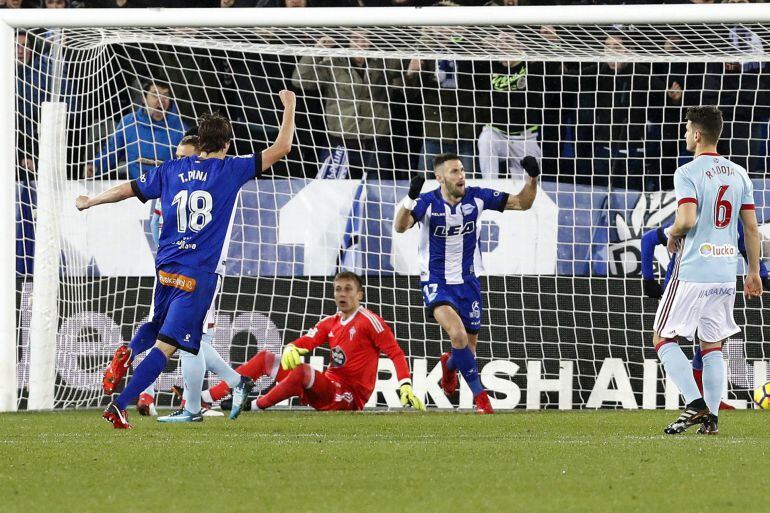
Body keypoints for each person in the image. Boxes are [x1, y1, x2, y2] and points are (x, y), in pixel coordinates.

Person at [76, 89, 297, 429]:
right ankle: (120, 405)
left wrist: (91, 201)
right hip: (197, 275)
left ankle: (129, 351)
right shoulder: (230, 169)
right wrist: (290, 107)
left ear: (199, 141)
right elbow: (282, 148)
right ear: (225, 145)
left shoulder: (170, 168)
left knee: (155, 326)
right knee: (168, 347)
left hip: (165, 267)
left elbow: (127, 190)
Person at [393, 153, 540, 414]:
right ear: (439, 178)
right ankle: (481, 399)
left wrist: (533, 177)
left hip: (469, 282)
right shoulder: (426, 202)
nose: (461, 175)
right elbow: (401, 227)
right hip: (436, 281)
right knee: (458, 335)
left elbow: (523, 203)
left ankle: (449, 368)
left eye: (462, 170)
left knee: (467, 351)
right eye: (454, 172)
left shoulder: (478, 196)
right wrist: (409, 198)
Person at [121, 131, 247, 421]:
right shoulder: (170, 182)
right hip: (172, 270)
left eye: (184, 156)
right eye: (176, 156)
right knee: (184, 338)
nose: (179, 161)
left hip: (201, 268)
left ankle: (194, 406)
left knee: (190, 339)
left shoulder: (218, 178)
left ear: (200, 154)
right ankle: (232, 384)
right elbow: (156, 224)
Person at [653, 106, 762, 436]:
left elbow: (686, 219)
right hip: (727, 271)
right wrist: (753, 271)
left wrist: (672, 234)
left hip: (694, 269)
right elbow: (752, 229)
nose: (685, 135)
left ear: (697, 135)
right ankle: (712, 418)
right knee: (711, 344)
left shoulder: (687, 172)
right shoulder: (739, 173)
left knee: (662, 337)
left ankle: (695, 403)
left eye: (687, 130)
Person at [215, 272, 424, 416]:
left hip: (348, 397)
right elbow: (307, 341)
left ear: (359, 294)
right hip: (327, 387)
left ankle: (251, 406)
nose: (342, 294)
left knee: (303, 372)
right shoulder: (331, 322)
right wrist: (291, 347)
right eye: (338, 289)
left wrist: (405, 384)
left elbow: (395, 353)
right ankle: (209, 398)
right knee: (265, 359)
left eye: (348, 289)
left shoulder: (370, 321)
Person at [641, 221, 769, 411]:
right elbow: (648, 239)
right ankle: (697, 400)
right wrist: (648, 279)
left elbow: (745, 244)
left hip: (712, 285)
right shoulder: (691, 217)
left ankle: (706, 402)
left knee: (716, 339)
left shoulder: (731, 221)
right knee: (668, 337)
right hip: (682, 287)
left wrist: (762, 275)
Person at [85, 80, 187, 180]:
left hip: (167, 187)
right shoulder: (129, 122)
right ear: (144, 99)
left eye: (166, 95)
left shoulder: (181, 129)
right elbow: (111, 152)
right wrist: (95, 166)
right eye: (156, 95)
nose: (162, 100)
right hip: (134, 188)